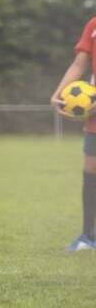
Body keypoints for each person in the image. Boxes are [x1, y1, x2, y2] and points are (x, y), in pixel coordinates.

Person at [49, 15, 96, 252]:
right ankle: (88, 237)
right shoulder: (94, 24)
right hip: (94, 111)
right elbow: (79, 63)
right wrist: (57, 94)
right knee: (91, 168)